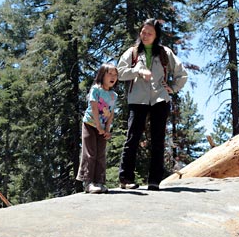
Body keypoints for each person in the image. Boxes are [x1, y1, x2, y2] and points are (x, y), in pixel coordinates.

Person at [117, 18, 188, 191]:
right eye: (143, 32)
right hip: (137, 99)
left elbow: (181, 73)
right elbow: (119, 73)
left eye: (150, 33)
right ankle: (126, 179)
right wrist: (137, 71)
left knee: (158, 140)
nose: (145, 35)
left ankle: (154, 181)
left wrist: (173, 88)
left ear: (156, 36)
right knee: (132, 139)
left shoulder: (165, 52)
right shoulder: (132, 52)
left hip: (159, 100)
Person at [76, 63, 118, 194]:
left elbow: (111, 113)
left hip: (102, 128)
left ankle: (99, 181)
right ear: (102, 75)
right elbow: (94, 107)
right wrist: (98, 126)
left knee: (100, 154)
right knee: (90, 153)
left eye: (115, 75)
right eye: (109, 74)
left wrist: (107, 129)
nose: (113, 77)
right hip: (90, 124)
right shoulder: (96, 89)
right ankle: (88, 182)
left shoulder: (113, 95)